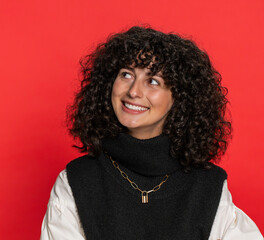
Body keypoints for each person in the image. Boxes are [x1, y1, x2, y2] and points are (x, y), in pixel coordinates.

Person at [40, 26, 263, 239]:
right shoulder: (76, 180)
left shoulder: (208, 186)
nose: (133, 91)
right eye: (126, 75)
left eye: (153, 81)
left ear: (179, 98)